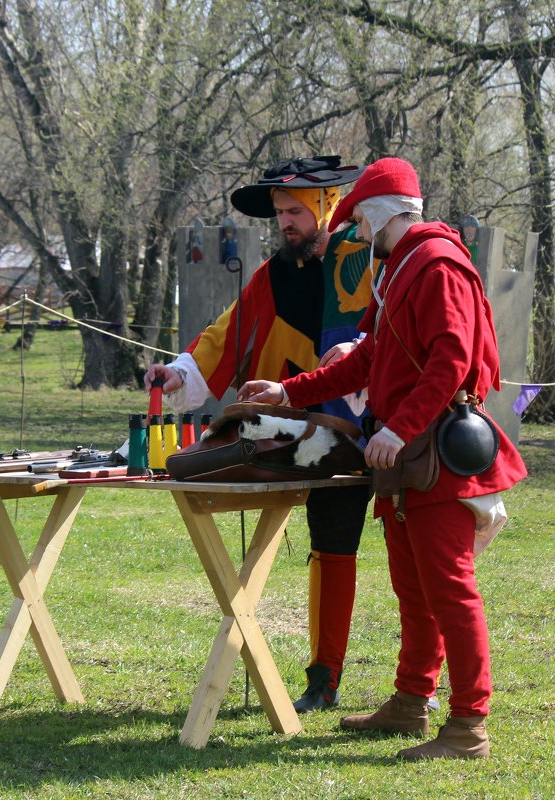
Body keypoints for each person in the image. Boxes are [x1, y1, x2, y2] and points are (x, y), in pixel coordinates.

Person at [238, 157, 528, 760]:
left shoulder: (437, 264)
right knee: (414, 589)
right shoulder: (398, 268)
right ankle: (410, 702)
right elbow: (366, 359)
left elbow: (452, 362)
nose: (355, 232)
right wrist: (290, 391)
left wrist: (397, 427)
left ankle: (469, 724)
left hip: (435, 451)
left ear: (376, 211)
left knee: (450, 590)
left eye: (359, 220)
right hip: (404, 454)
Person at [144, 155, 375, 713]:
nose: (286, 223)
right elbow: (226, 335)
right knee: (327, 542)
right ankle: (323, 682)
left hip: (376, 427)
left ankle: (407, 687)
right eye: (279, 213)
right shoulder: (274, 275)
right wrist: (181, 373)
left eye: (295, 210)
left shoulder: (368, 260)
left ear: (325, 207)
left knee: (389, 554)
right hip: (298, 432)